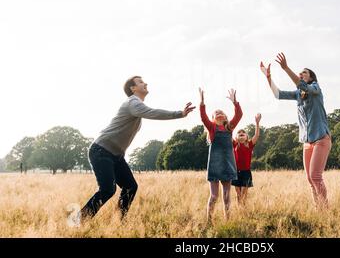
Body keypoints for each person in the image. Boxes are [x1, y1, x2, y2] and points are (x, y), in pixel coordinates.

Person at [80, 76, 195, 221]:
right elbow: (152, 113)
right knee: (108, 190)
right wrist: (180, 114)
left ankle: (119, 221)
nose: (145, 83)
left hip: (115, 155)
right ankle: (78, 220)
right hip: (102, 150)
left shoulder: (136, 105)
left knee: (130, 187)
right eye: (140, 82)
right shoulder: (132, 102)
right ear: (132, 88)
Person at [260, 53, 331, 209]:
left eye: (304, 72)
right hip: (307, 142)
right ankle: (318, 209)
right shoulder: (298, 95)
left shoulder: (315, 88)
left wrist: (285, 68)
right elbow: (278, 95)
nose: (300, 74)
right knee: (310, 179)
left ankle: (326, 210)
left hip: (321, 139)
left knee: (315, 177)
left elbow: (304, 86)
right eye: (300, 73)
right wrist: (268, 78)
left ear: (311, 77)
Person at [199, 88, 242, 222]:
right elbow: (203, 117)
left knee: (227, 195)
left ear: (225, 117)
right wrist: (202, 103)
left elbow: (239, 115)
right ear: (213, 119)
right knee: (214, 196)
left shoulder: (229, 128)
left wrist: (235, 102)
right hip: (215, 166)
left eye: (221, 112)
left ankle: (227, 220)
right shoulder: (212, 128)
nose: (219, 113)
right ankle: (209, 220)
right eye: (216, 113)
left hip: (228, 165)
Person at [232, 113, 261, 206]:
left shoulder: (249, 145)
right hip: (236, 172)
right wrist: (230, 127)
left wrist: (257, 123)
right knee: (238, 193)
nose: (241, 133)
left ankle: (243, 209)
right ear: (236, 137)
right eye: (239, 133)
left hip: (246, 172)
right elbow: (228, 134)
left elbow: (256, 136)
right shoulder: (235, 144)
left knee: (244, 193)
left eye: (243, 133)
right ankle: (239, 209)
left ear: (246, 137)